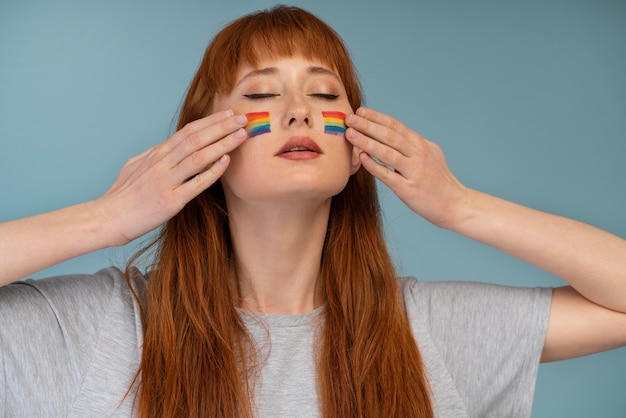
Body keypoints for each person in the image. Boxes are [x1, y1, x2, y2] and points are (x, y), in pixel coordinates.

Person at [1, 5, 625, 418]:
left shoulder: (428, 330)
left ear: (355, 150)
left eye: (325, 93)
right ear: (202, 141)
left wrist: (460, 206)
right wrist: (106, 219)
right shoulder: (98, 328)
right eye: (262, 93)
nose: (299, 111)